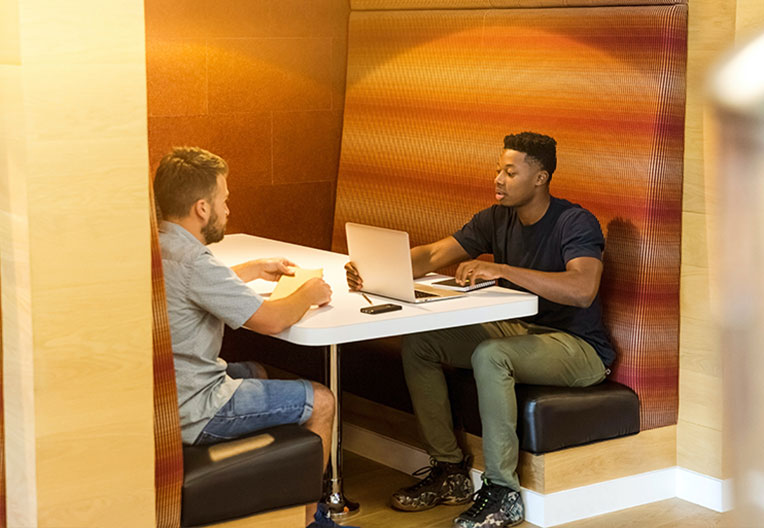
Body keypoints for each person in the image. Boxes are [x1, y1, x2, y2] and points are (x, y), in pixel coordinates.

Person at [345, 132, 615, 528]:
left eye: (510, 172)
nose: (498, 179)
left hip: (577, 347)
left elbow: (581, 289)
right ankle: (451, 472)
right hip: (520, 329)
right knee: (422, 343)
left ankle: (503, 493)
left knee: (491, 355)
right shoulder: (497, 217)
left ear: (540, 178)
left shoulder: (574, 222)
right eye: (498, 169)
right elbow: (436, 254)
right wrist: (375, 267)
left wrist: (503, 270)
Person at [154, 146, 351, 528]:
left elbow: (197, 284)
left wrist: (252, 269)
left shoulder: (158, 244)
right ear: (202, 208)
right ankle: (312, 520)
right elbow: (272, 320)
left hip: (164, 397)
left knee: (256, 370)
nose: (227, 209)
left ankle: (274, 497)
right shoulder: (196, 261)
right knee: (322, 401)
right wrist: (309, 292)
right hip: (196, 407)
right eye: (224, 200)